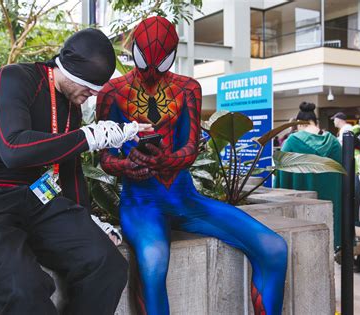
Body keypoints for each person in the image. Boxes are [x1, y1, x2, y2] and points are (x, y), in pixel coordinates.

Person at [0, 28, 153, 315]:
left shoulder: (70, 106)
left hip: (34, 198)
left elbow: (69, 170)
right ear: (68, 69)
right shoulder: (14, 78)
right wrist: (89, 137)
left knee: (107, 264)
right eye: (89, 86)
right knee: (25, 290)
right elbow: (13, 149)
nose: (92, 95)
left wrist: (87, 219)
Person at [97, 16, 287, 315]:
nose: (150, 72)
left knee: (274, 248)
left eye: (160, 63)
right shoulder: (112, 92)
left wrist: (165, 159)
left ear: (173, 54)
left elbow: (189, 149)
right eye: (145, 60)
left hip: (186, 200)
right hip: (141, 203)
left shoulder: (188, 88)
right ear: (133, 50)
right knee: (153, 262)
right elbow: (104, 157)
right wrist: (126, 165)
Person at [274, 102, 343, 251]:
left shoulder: (292, 142)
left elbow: (280, 180)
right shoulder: (335, 144)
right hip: (330, 215)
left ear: (299, 125)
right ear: (315, 123)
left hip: (300, 216)